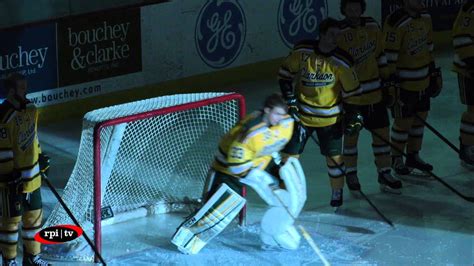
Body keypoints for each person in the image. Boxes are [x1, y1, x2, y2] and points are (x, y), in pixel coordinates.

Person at [171, 93, 307, 254]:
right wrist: (262, 180)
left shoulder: (286, 122)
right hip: (228, 171)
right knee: (216, 211)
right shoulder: (248, 134)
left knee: (292, 195)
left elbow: (287, 139)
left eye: (282, 114)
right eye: (276, 114)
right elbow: (236, 167)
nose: (279, 118)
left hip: (260, 162)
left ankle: (273, 233)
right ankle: (185, 241)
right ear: (267, 110)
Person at [278, 17, 362, 207]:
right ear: (321, 34)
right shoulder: (302, 51)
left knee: (335, 159)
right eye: (331, 34)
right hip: (301, 117)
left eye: (338, 36)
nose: (335, 39)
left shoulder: (342, 61)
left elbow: (353, 93)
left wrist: (353, 114)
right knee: (288, 158)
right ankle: (283, 194)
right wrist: (289, 98)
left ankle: (337, 191)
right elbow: (284, 75)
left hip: (330, 119)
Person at [337, 0, 402, 193]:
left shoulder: (373, 25)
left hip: (375, 96)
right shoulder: (339, 31)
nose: (353, 11)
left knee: (382, 135)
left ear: (361, 9)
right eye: (350, 8)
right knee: (351, 139)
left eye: (356, 7)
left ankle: (384, 171)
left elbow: (380, 55)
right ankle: (351, 173)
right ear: (344, 10)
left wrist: (388, 79)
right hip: (353, 99)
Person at [383, 0, 442, 176]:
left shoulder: (425, 17)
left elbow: (429, 47)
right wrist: (391, 82)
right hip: (404, 85)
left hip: (422, 81)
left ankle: (413, 155)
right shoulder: (395, 22)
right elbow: (389, 55)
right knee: (403, 123)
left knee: (419, 121)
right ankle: (397, 158)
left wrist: (432, 72)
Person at [0, 73, 50, 266]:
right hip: (11, 183)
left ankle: (32, 257)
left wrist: (40, 156)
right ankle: (9, 261)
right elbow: (2, 149)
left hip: (32, 178)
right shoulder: (3, 116)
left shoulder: (31, 109)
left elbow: (33, 139)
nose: (26, 91)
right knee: (10, 223)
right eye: (21, 88)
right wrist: (8, 174)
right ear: (11, 91)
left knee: (34, 220)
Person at [452, 0, 474, 168]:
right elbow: (461, 38)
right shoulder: (470, 9)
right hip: (469, 70)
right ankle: (467, 147)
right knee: (473, 111)